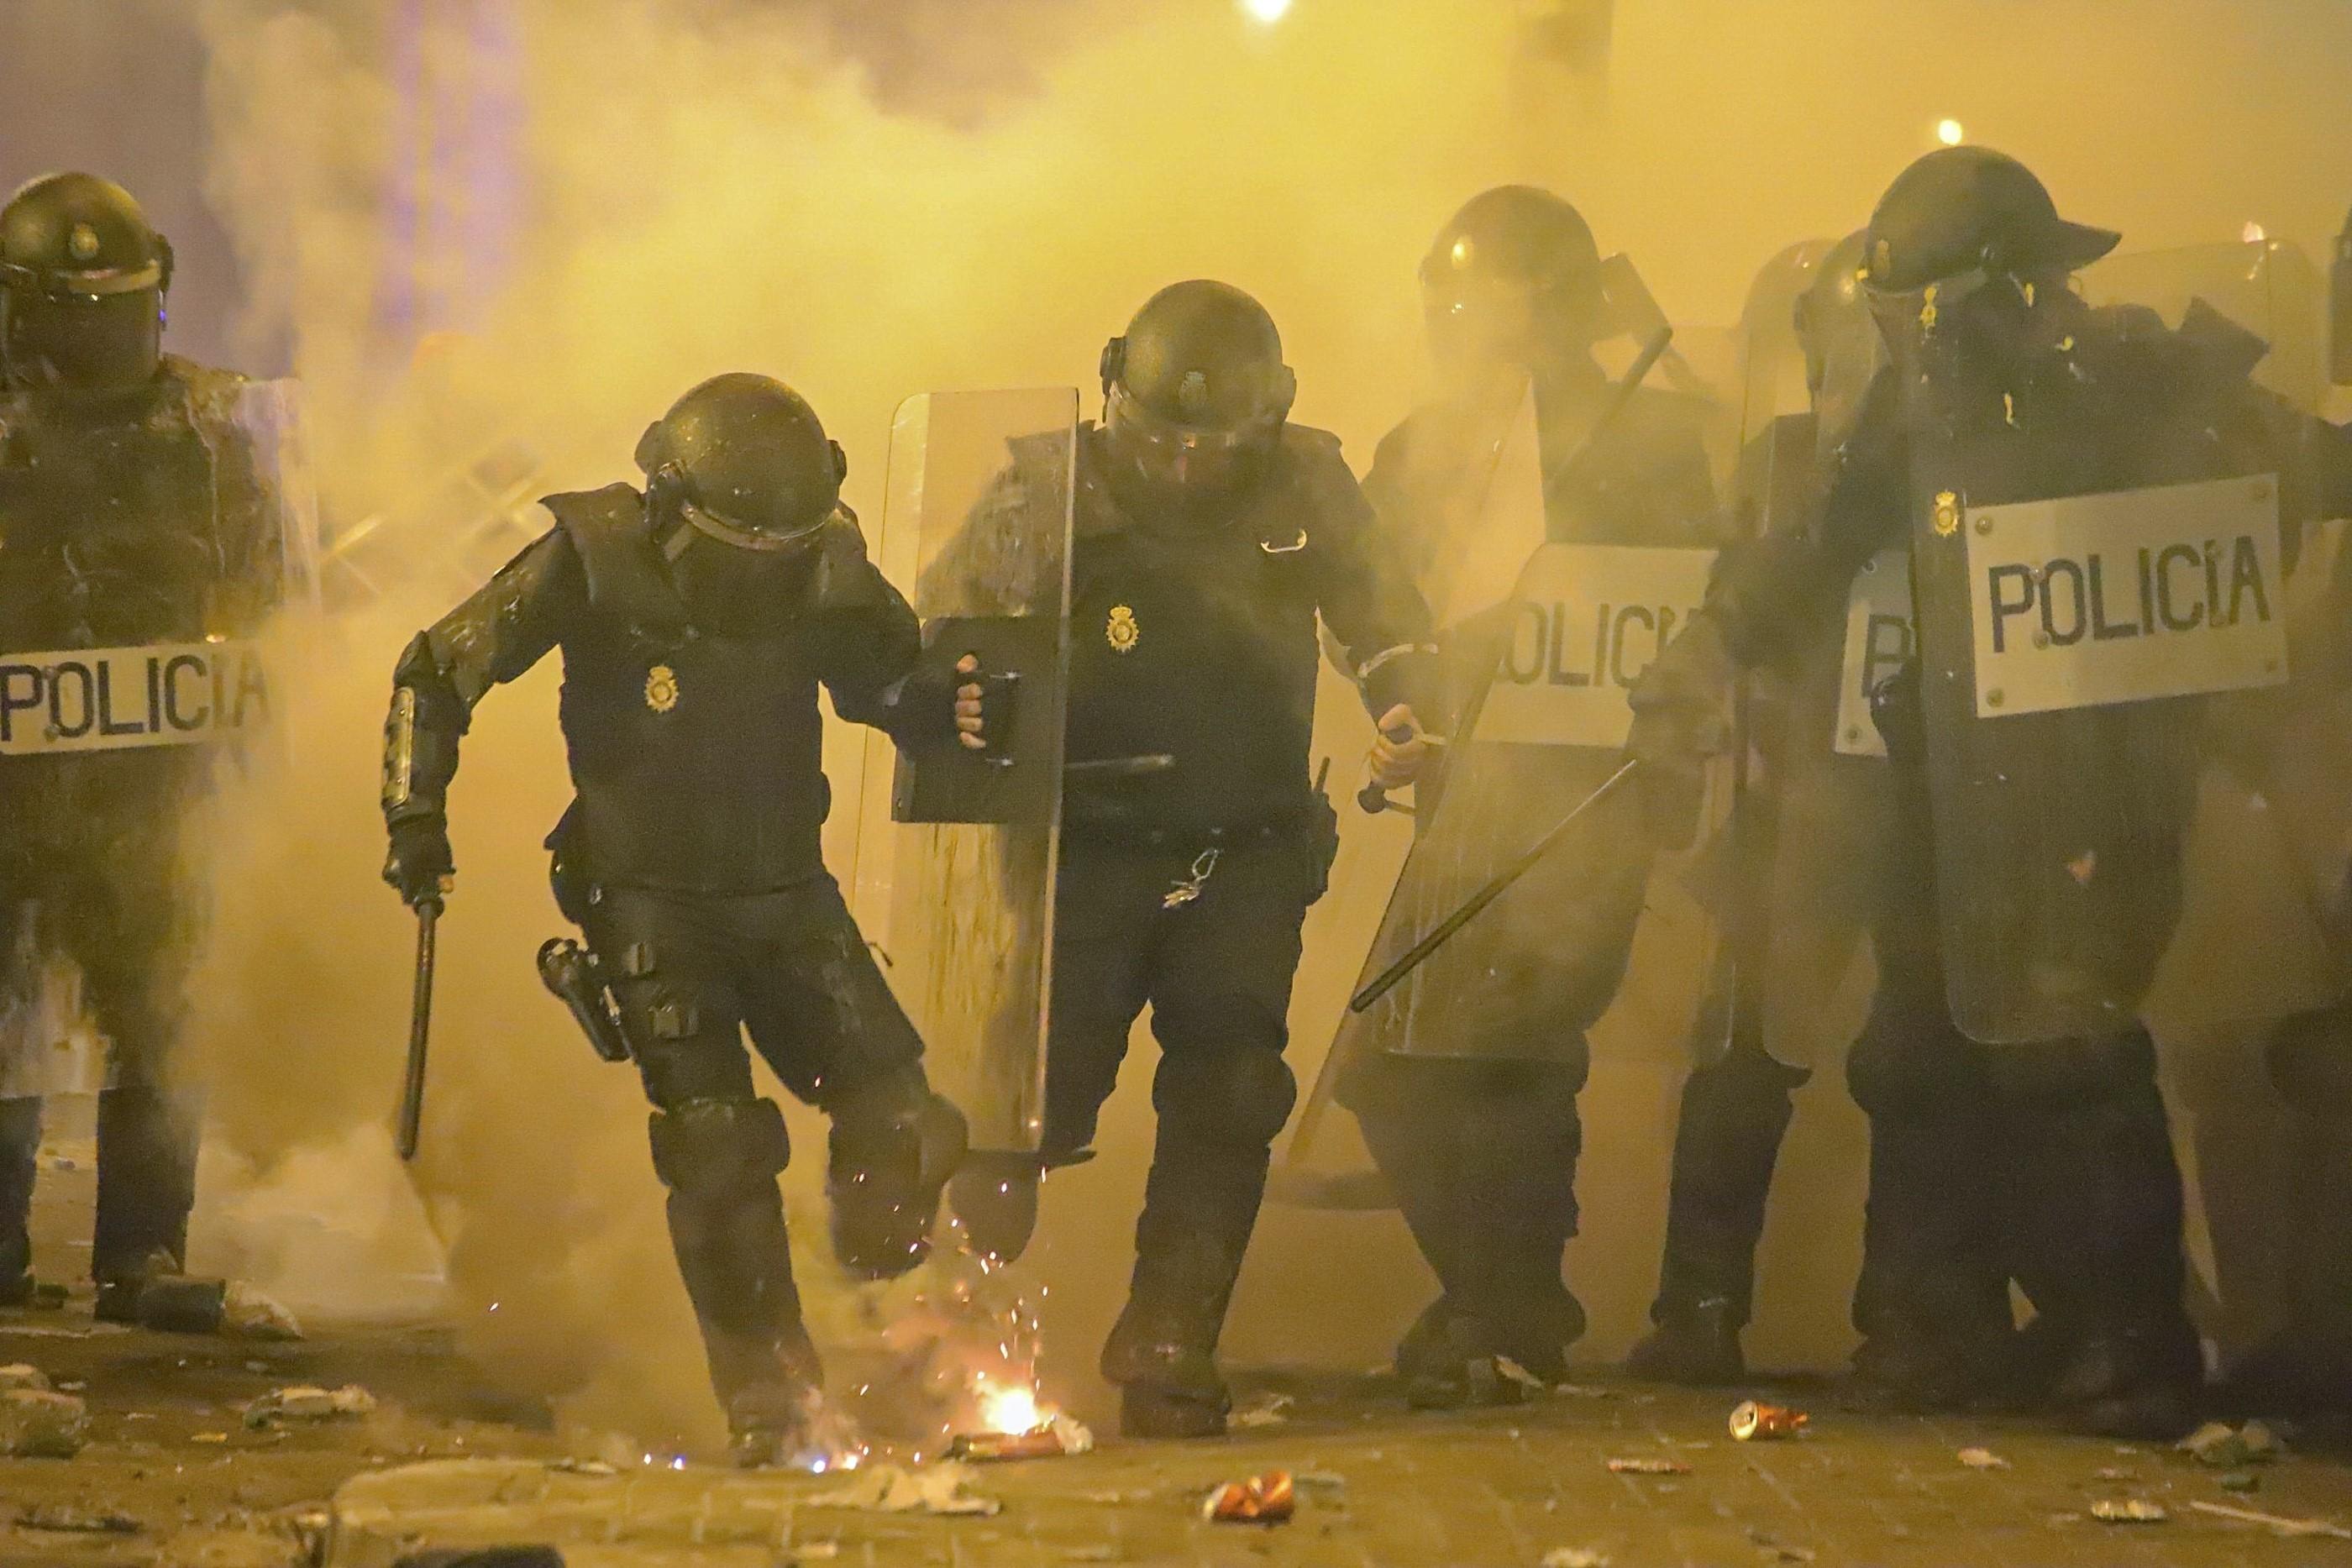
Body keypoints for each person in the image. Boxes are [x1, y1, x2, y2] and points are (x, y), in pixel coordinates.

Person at [1629, 145, 2352, 1436]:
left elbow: (2293, 472)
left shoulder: (2131, 375)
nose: (1911, 342)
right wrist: (1703, 652)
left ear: (2007, 288)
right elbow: (1808, 550)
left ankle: (2127, 1343)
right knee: (1917, 1049)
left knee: (2066, 1045)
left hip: (2091, 787)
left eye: (1925, 314)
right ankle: (1933, 1326)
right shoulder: (1913, 421)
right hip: (1942, 783)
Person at [379, 373, 968, 1465]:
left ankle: (876, 1314)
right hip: (643, 895)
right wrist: (414, 814)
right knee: (718, 1147)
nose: (761, 578)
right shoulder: (593, 554)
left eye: (780, 555)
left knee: (903, 1124)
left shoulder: (824, 561)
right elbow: (436, 669)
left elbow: (889, 683)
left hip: (787, 892)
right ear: (666, 506)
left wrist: (947, 709)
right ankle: (771, 1403)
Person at [917, 280, 1440, 1438]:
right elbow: (944, 629)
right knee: (1016, 1113)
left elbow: (1384, 612)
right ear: (1115, 396)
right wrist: (961, 700)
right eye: (1163, 439)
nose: (1191, 468)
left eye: (1218, 443)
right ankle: (933, 1331)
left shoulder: (1307, 483)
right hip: (1078, 852)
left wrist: (1406, 707)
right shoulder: (1049, 488)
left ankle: (1170, 1337)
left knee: (1232, 1087)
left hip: (1243, 845)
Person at [1335, 186, 1720, 1407]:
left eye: (1476, 307)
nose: (1455, 331)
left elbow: (1690, 605)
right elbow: (1378, 611)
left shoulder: (1648, 440)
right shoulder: (1415, 451)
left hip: (1584, 786)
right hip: (1463, 789)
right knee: (1393, 1067)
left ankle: (1508, 1306)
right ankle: (1500, 1294)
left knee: (1511, 1052)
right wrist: (1401, 709)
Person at [0, 173, 295, 1320]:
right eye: (78, 310)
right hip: (11, 793)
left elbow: (264, 588)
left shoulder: (210, 429)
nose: (104, 335)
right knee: (6, 1013)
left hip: (149, 783)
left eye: (119, 305)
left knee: (162, 1006)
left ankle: (142, 1254)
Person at [1629, 229, 1887, 1384]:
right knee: (1737, 1057)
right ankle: (1698, 1307)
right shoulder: (1786, 464)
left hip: (1934, 803)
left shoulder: (1977, 453)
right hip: (1797, 794)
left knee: (1943, 1060)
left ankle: (1937, 1320)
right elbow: (1740, 584)